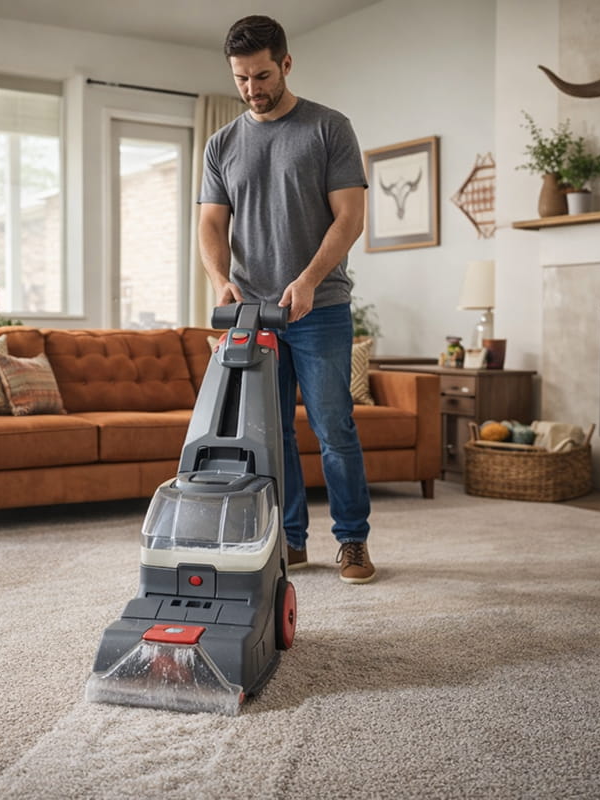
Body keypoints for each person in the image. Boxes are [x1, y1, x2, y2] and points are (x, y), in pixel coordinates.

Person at [198, 15, 375, 584]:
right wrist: (219, 280)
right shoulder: (222, 143)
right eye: (242, 78)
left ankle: (352, 541)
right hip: (255, 315)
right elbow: (209, 225)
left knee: (334, 428)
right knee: (269, 437)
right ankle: (290, 540)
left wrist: (307, 277)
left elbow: (350, 217)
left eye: (263, 75)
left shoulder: (329, 128)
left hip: (319, 308)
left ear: (287, 64)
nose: (253, 89)